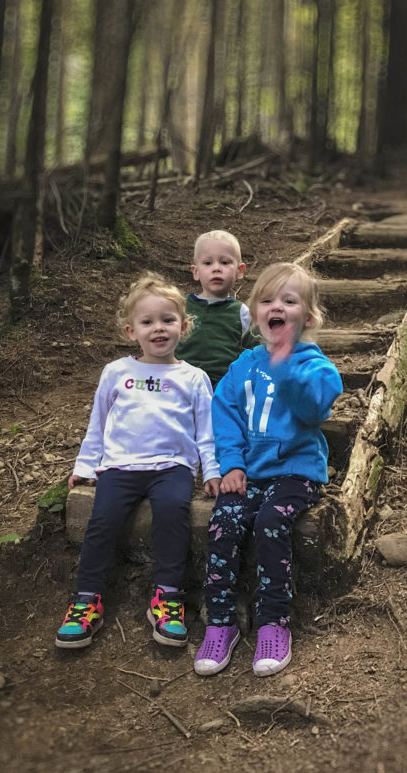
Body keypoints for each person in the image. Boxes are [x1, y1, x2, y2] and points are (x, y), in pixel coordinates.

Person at [55, 273, 221, 650]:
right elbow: (97, 424)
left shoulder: (193, 377)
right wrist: (84, 466)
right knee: (103, 520)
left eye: (167, 320)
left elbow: (206, 431)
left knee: (173, 513)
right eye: (147, 322)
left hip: (172, 468)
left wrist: (210, 470)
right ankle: (86, 599)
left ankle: (167, 597)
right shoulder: (117, 372)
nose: (158, 329)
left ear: (184, 325)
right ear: (131, 331)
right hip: (120, 467)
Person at [194, 262, 343, 677]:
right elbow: (223, 412)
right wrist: (232, 465)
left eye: (288, 301)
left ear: (308, 317)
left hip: (297, 473)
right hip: (250, 473)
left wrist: (286, 368)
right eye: (266, 300)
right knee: (224, 522)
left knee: (270, 523)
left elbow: (315, 408)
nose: (276, 306)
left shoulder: (315, 366)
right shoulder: (243, 364)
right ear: (256, 312)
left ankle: (272, 621)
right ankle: (221, 622)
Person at [175, 230, 258, 388]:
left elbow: (257, 350)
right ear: (196, 271)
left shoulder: (241, 312)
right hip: (181, 382)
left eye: (225, 262)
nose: (216, 268)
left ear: (239, 271)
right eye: (208, 263)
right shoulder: (180, 307)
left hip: (223, 386)